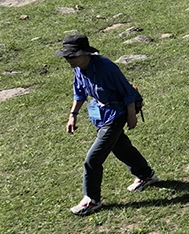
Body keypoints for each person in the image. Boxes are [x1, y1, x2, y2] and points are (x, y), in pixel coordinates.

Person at [58, 34, 158, 216]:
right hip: (100, 115)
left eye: (71, 56)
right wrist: (73, 115)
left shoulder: (107, 67)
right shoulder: (79, 68)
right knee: (120, 147)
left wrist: (131, 115)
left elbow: (126, 91)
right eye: (66, 56)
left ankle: (92, 200)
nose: (68, 59)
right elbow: (79, 92)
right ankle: (146, 175)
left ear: (85, 54)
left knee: (93, 160)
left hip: (116, 115)